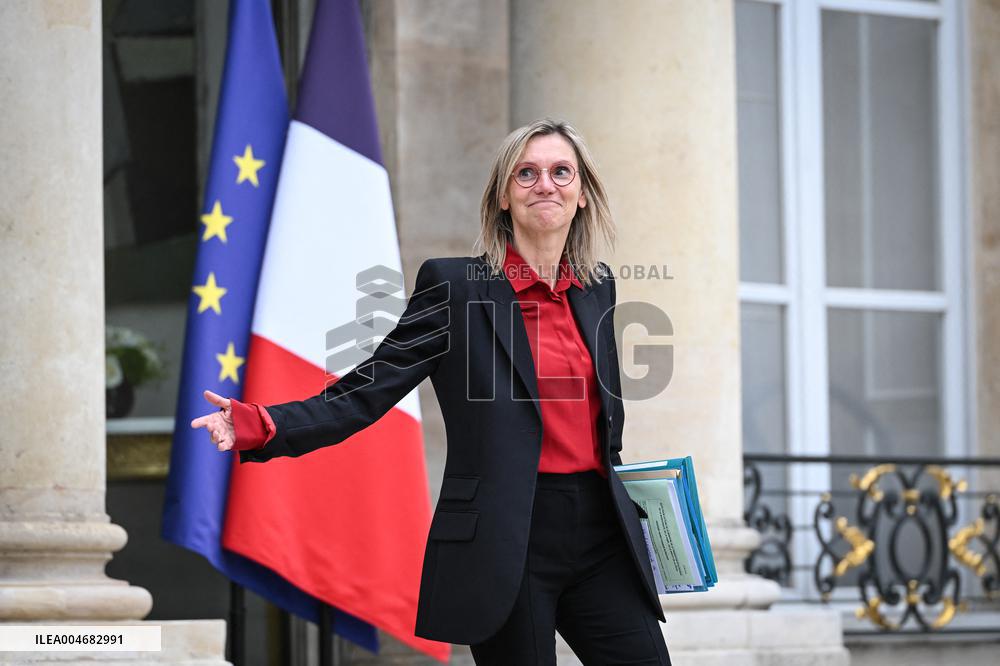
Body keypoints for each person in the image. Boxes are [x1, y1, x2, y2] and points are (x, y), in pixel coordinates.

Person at [191, 118, 671, 665]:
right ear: (502, 198)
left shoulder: (598, 287)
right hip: (504, 535)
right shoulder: (455, 287)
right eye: (527, 173)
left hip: (598, 533)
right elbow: (365, 391)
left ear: (582, 195)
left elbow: (602, 429)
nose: (546, 185)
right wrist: (261, 422)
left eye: (562, 172)